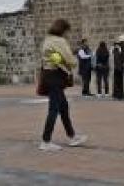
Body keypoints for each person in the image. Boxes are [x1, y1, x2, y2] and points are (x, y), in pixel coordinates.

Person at [39, 19, 87, 151]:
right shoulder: (59, 41)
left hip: (48, 75)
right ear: (63, 30)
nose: (68, 34)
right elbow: (71, 61)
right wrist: (72, 59)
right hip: (55, 76)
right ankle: (45, 141)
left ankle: (72, 136)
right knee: (54, 109)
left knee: (63, 108)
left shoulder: (47, 39)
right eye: (67, 31)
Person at [112, 35, 124, 100]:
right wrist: (122, 65)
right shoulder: (118, 48)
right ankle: (119, 95)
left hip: (120, 67)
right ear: (122, 42)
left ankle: (119, 94)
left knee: (119, 82)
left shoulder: (120, 48)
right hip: (119, 68)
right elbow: (119, 58)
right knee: (119, 82)